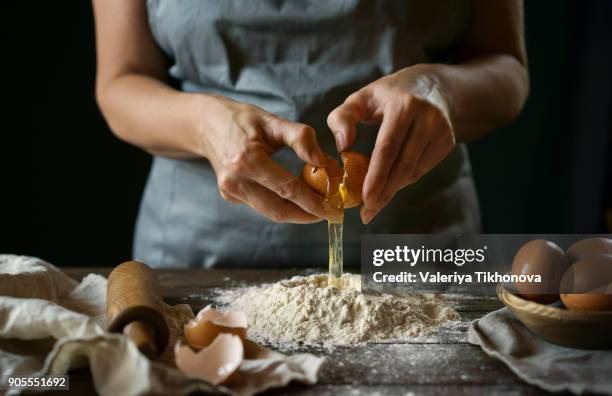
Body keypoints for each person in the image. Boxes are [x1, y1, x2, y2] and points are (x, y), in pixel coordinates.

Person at [92, 0, 528, 267]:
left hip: (417, 251)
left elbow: (507, 68)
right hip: (200, 255)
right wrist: (206, 125)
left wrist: (441, 90)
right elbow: (120, 83)